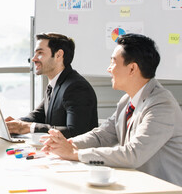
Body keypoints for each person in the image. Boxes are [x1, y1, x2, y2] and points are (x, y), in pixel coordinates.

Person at [42, 34, 182, 186]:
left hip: (164, 189)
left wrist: (75, 154)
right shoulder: (127, 101)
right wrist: (68, 144)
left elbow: (133, 154)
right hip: (139, 185)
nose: (108, 69)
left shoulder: (161, 105)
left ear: (132, 68)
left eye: (113, 62)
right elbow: (102, 135)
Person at [5, 33, 98, 138]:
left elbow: (76, 132)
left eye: (40, 53)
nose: (33, 59)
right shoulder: (55, 84)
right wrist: (15, 124)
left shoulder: (77, 87)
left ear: (58, 55)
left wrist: (28, 127)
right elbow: (37, 115)